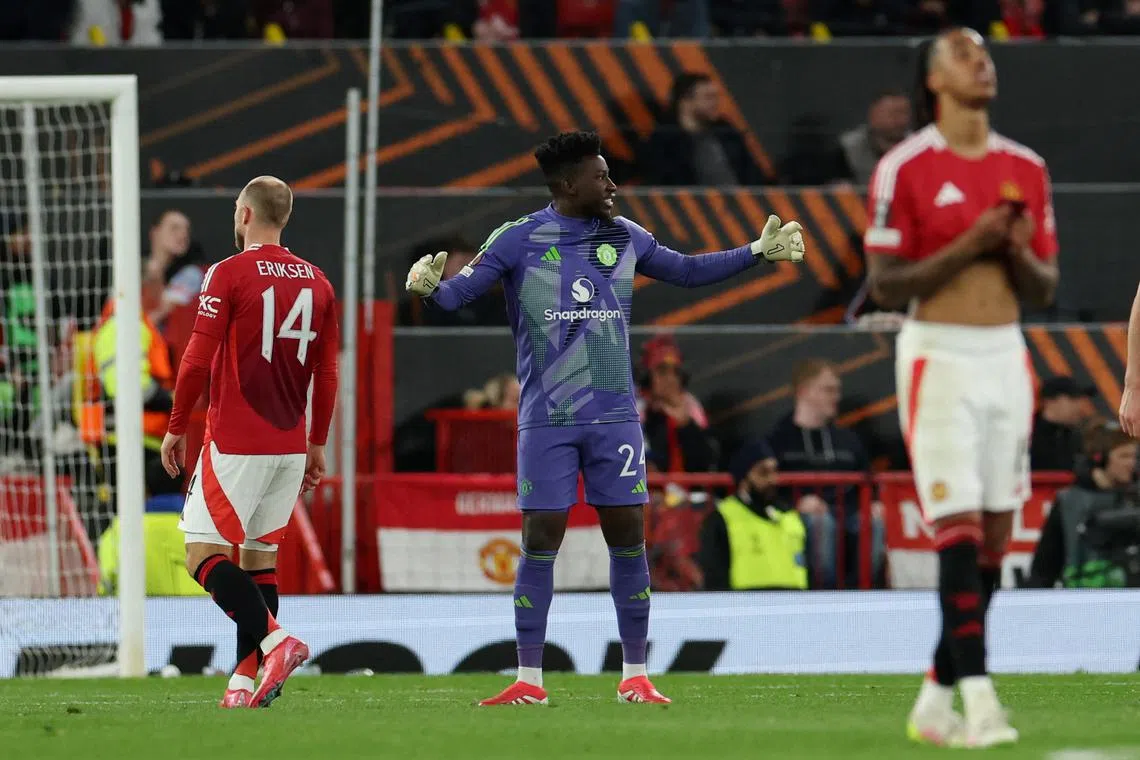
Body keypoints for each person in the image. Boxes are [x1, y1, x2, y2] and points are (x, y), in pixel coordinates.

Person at [405, 130, 806, 706]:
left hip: (615, 418)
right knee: (540, 538)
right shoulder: (518, 240)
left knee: (628, 539)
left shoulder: (625, 236)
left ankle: (636, 674)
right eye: (601, 177)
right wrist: (427, 289)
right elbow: (456, 296)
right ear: (569, 184)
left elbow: (688, 271)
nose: (613, 186)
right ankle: (528, 680)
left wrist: (756, 252)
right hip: (547, 418)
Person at [864, 29, 1059, 747]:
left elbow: (1045, 286)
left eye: (986, 52)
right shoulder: (905, 167)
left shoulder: (1027, 167)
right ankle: (981, 703)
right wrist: (971, 242)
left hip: (1007, 353)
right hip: (938, 356)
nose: (983, 61)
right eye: (964, 53)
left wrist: (1009, 247)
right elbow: (885, 284)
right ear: (933, 80)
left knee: (996, 545)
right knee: (957, 531)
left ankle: (933, 700)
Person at [159, 176, 339, 709]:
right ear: (284, 218)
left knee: (201, 555)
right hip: (288, 444)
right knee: (258, 561)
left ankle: (278, 642)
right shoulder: (320, 282)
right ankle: (242, 683)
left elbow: (194, 360)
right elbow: (326, 374)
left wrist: (175, 425)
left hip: (237, 439)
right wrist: (317, 443)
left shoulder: (227, 273)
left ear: (244, 215)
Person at [1028, 423, 1138, 589]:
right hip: (1080, 598)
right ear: (1100, 458)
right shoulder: (1068, 502)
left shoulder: (1135, 499)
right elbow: (1044, 569)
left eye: (1134, 457)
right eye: (1124, 456)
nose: (1132, 463)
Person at [698, 439, 807, 591]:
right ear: (743, 478)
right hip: (744, 608)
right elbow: (714, 578)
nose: (772, 479)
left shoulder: (790, 516)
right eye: (763, 472)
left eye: (774, 471)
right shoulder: (722, 518)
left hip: (794, 608)